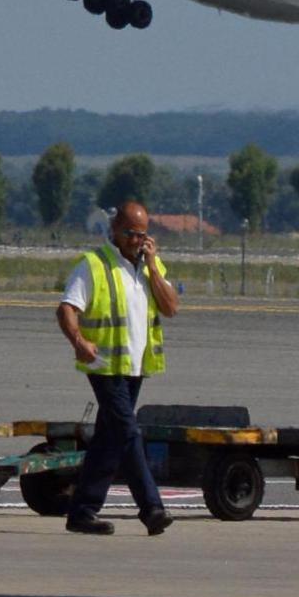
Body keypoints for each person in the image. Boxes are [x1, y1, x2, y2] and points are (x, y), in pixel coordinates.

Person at [54, 197, 179, 535]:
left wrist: (153, 267)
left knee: (109, 439)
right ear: (114, 230)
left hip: (135, 368)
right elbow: (66, 309)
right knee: (128, 433)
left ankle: (82, 511)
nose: (136, 241)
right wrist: (79, 342)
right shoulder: (94, 265)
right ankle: (152, 508)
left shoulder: (150, 267)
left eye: (142, 235)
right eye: (130, 233)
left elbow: (170, 308)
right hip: (105, 365)